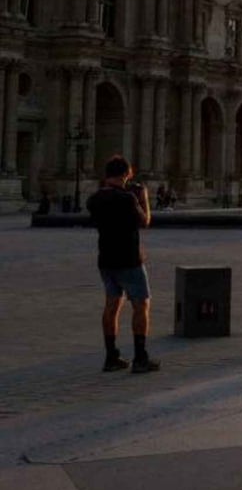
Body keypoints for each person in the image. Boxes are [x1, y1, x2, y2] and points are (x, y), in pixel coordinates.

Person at [86, 156, 159, 373]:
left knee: (111, 305)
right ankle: (140, 357)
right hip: (129, 259)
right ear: (126, 174)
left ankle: (111, 357)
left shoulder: (94, 199)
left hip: (106, 259)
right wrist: (143, 198)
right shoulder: (128, 198)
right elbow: (145, 221)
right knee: (141, 305)